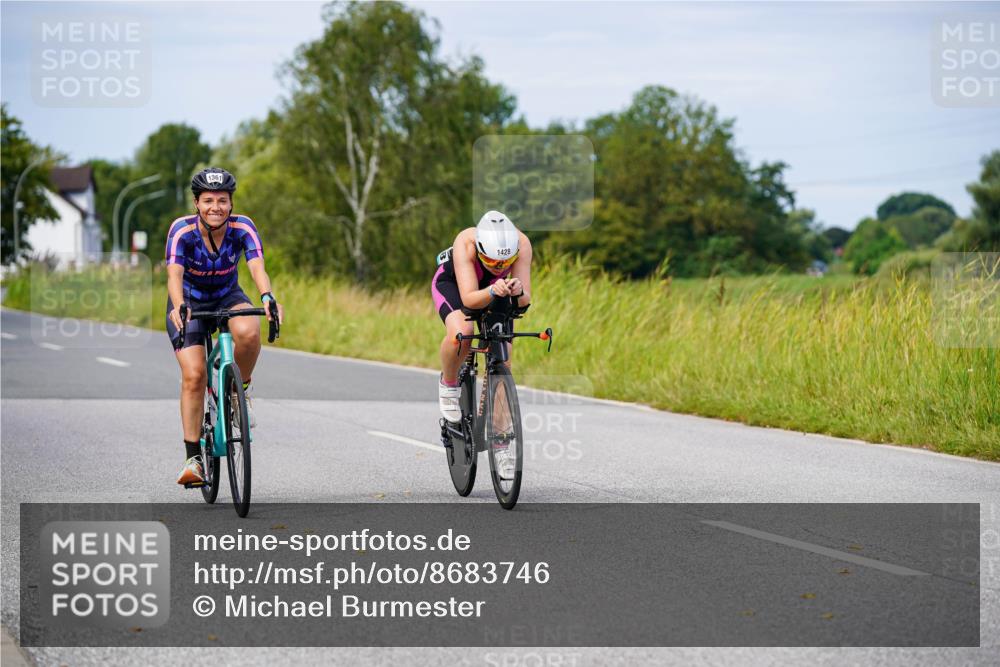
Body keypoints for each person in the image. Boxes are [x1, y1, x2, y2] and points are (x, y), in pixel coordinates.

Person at [165, 167, 283, 486]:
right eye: (208, 201)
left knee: (248, 331)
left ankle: (237, 392)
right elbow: (174, 275)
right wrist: (179, 305)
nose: (215, 207)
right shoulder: (182, 231)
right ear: (196, 204)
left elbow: (257, 266)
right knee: (194, 376)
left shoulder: (242, 227)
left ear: (231, 204)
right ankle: (193, 459)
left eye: (222, 200)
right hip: (188, 300)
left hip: (228, 295)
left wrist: (268, 296)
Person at [431, 210, 532, 471]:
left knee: (504, 363)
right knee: (461, 335)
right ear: (479, 249)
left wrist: (518, 291)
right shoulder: (465, 242)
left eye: (504, 263)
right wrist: (491, 289)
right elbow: (469, 300)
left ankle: (501, 446)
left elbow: (524, 301)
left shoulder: (521, 244)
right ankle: (449, 384)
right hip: (456, 287)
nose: (499, 267)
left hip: (496, 292)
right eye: (491, 261)